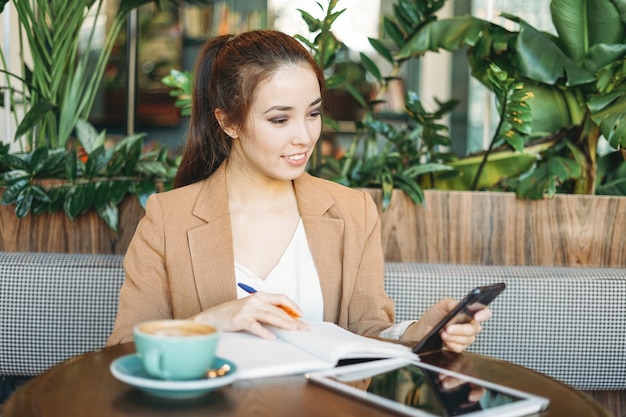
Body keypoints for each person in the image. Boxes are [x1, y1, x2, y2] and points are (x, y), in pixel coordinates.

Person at [106, 29, 490, 351]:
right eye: (279, 119)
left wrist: (417, 333)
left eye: (313, 113)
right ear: (228, 122)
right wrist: (209, 322)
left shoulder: (352, 211)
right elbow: (122, 350)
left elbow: (367, 333)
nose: (304, 137)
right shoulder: (168, 218)